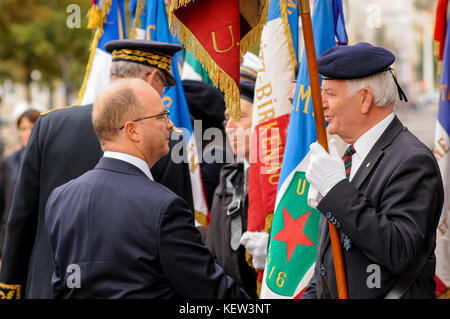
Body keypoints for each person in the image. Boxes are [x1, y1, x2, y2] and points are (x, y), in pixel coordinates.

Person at [0, 40, 192, 299]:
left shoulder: (49, 125)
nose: (164, 94)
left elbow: (22, 218)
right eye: (164, 84)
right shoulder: (168, 139)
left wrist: (10, 288)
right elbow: (176, 240)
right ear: (152, 77)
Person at [45, 78, 250, 299]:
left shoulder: (61, 198)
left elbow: (63, 287)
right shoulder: (163, 207)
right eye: (162, 116)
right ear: (132, 130)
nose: (170, 125)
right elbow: (212, 292)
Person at [302, 42, 444, 298]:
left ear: (365, 99)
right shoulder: (349, 158)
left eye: (331, 94)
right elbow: (328, 265)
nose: (321, 104)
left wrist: (336, 190)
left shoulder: (412, 161)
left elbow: (399, 250)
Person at [206, 81, 259, 298]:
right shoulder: (229, 176)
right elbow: (215, 252)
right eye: (228, 118)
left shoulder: (284, 182)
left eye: (241, 117)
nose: (229, 127)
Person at [0, 109, 40, 263]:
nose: (28, 133)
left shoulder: (50, 161)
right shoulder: (8, 163)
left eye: (32, 127)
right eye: (23, 129)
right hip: (10, 241)